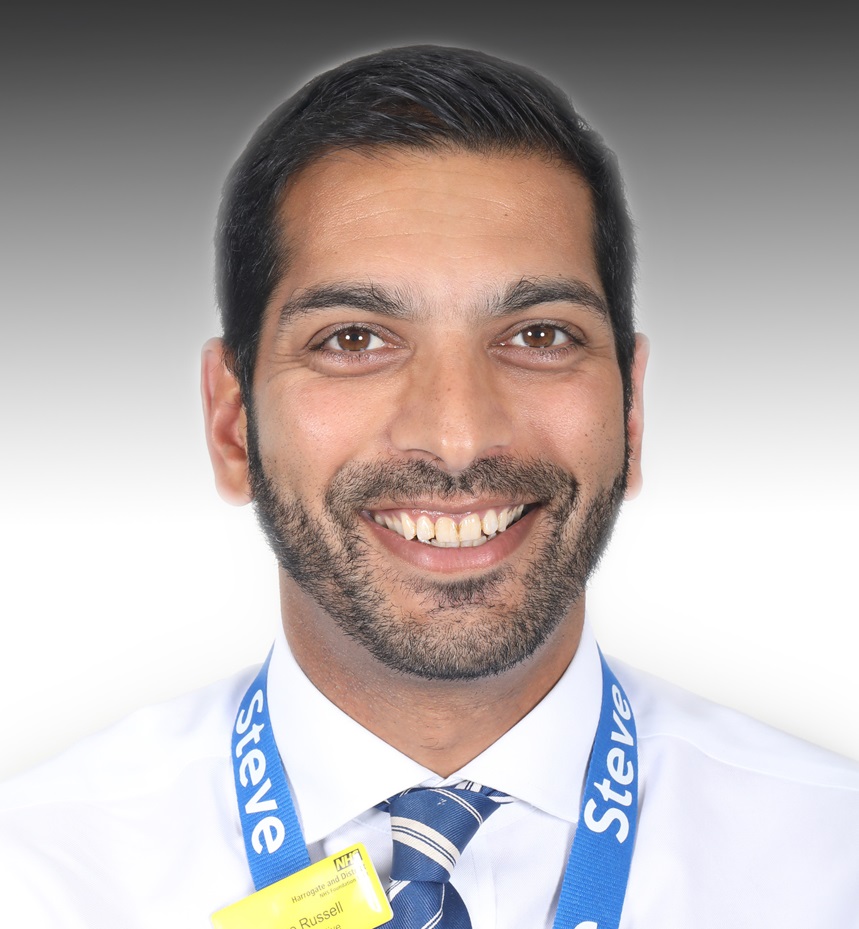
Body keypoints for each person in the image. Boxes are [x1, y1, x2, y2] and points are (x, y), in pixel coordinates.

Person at [1, 44, 857, 929]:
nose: (457, 437)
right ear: (232, 424)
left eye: (538, 336)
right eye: (354, 340)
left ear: (630, 412)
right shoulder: (31, 878)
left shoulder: (836, 859)